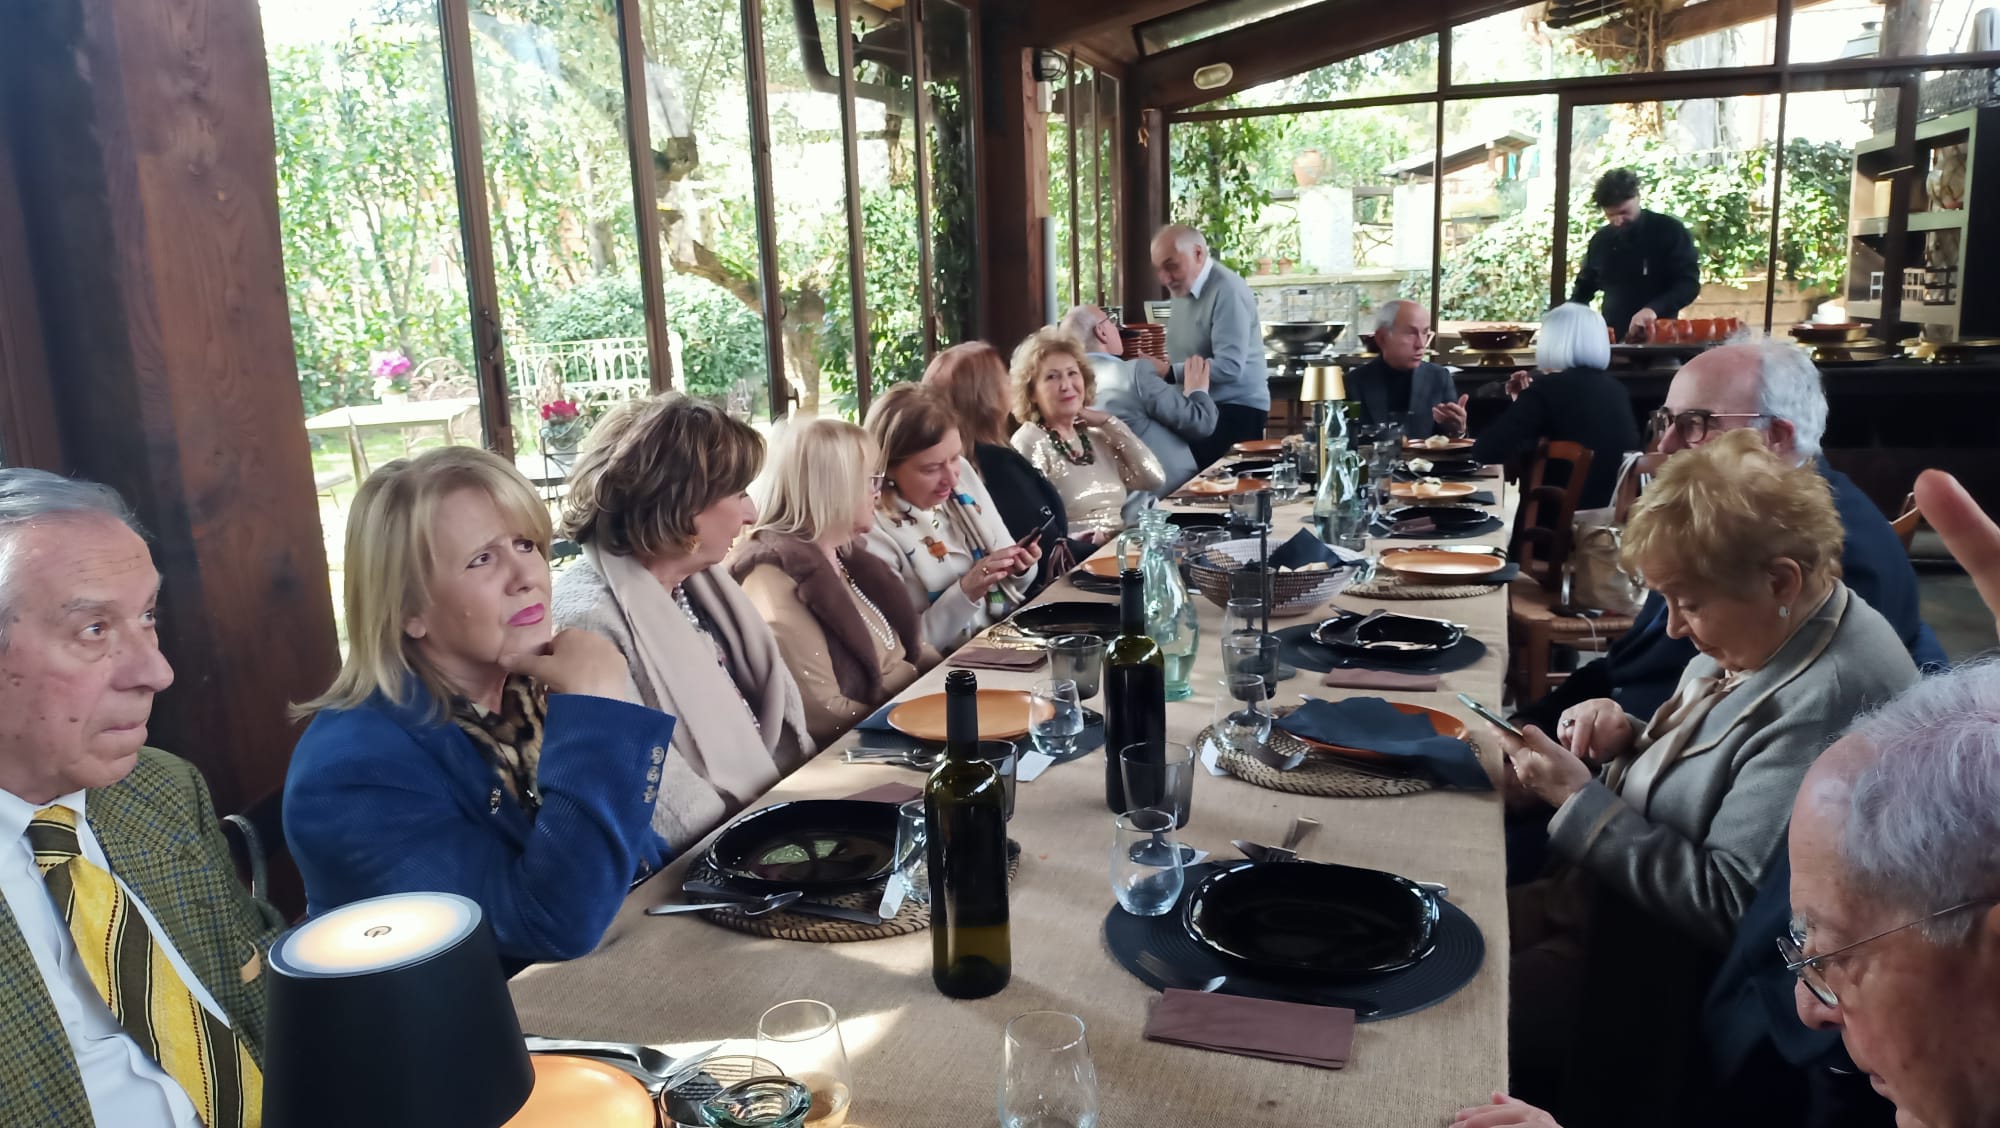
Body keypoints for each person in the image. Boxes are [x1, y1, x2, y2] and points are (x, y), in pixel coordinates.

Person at [1499, 428, 1918, 1077]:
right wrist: (1627, 734)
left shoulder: (1829, 698)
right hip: (1591, 907)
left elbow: (1730, 908)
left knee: (1436, 1013)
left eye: (1688, 603)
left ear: (1781, 579)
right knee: (1428, 915)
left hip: (1643, 978)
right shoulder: (1780, 625)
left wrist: (1573, 796)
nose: (1672, 627)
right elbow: (1715, 761)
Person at [288, 447, 672, 969]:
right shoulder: (352, 773)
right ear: (408, 610)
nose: (525, 576)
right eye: (482, 559)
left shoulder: (525, 689)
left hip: (614, 974)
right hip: (500, 1016)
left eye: (525, 544)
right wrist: (599, 713)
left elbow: (640, 863)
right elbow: (553, 924)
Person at [0, 470, 283, 1127]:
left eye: (148, 616)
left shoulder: (158, 789)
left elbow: (264, 1000)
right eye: (94, 629)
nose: (157, 670)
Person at [1514, 340, 1947, 733]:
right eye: (1666, 421)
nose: (1665, 445)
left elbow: (1736, 734)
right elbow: (1631, 662)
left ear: (1775, 437)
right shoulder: (1727, 516)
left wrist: (1574, 757)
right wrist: (1531, 722)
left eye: (1695, 423)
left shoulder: (1824, 555)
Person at [551, 394, 812, 852]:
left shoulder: (701, 584)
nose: (751, 514)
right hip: (716, 855)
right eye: (739, 493)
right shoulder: (587, 620)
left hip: (775, 820)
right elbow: (662, 798)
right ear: (682, 502)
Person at [729, 418, 935, 748]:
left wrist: (956, 691)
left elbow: (921, 652)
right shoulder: (771, 575)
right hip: (864, 751)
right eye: (871, 480)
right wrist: (926, 726)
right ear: (834, 488)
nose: (878, 492)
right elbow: (822, 713)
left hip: (907, 720)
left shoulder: (846, 557)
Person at [862, 383, 1041, 655]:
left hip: (1005, 640)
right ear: (887, 468)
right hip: (943, 667)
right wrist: (966, 591)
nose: (952, 478)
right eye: (931, 468)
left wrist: (1020, 569)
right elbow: (903, 650)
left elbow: (1013, 588)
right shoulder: (871, 527)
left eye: (955, 457)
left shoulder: (963, 475)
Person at [921, 341, 1087, 571]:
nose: (1010, 383)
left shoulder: (975, 459)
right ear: (986, 396)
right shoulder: (997, 465)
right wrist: (1100, 547)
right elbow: (1042, 547)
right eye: (1003, 377)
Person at [1465, 302, 1642, 509]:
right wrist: (1522, 401)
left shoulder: (1548, 388)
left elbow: (1486, 450)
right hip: (1609, 516)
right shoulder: (1617, 390)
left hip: (1555, 520)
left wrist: (1526, 401)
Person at [1009, 326, 1167, 540]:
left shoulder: (1096, 435)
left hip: (1118, 548)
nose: (1066, 385)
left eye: (1072, 373)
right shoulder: (1029, 441)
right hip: (1075, 555)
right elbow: (1034, 526)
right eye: (1052, 377)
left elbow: (1153, 479)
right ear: (1031, 393)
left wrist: (1109, 422)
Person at [1061, 303, 1218, 501]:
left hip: (1113, 500)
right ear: (1101, 332)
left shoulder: (1066, 387)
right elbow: (1200, 422)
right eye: (1111, 322)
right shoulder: (1131, 374)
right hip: (1171, 494)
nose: (1117, 328)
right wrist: (1197, 389)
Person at [1151, 223, 1266, 466]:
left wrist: (1168, 372)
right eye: (1159, 269)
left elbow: (1230, 367)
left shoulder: (1228, 290)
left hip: (1235, 410)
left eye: (1171, 266)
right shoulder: (1182, 288)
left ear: (1198, 253)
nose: (1164, 278)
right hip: (1198, 407)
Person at [1570, 167, 1701, 343]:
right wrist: (1569, 315)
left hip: (1661, 338)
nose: (1618, 221)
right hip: (1613, 341)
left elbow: (1688, 285)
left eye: (1624, 212)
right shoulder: (1601, 240)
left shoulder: (1670, 231)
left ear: (1637, 197)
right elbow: (1584, 287)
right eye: (1610, 215)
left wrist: (1652, 310)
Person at [1345, 298, 1461, 439]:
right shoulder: (1353, 383)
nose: (1421, 344)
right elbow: (1344, 441)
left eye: (1425, 333)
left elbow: (1449, 440)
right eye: (1411, 333)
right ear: (1382, 338)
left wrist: (1457, 431)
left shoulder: (1439, 377)